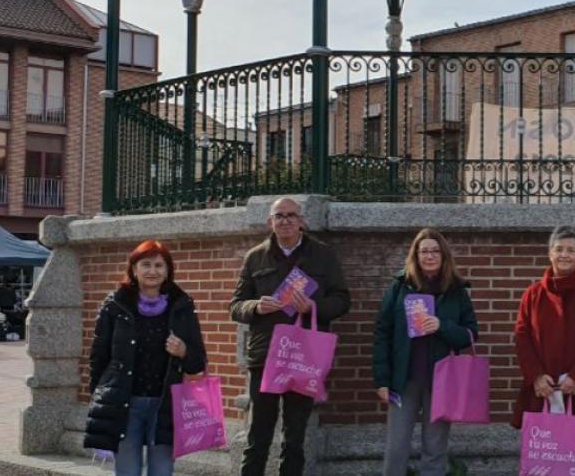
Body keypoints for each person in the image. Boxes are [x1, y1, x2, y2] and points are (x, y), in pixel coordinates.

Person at [230, 197, 351, 476]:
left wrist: (313, 307)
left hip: (302, 357)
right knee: (258, 434)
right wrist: (255, 306)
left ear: (301, 221)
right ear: (270, 222)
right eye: (279, 216)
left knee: (294, 437)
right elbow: (235, 306)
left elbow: (342, 301)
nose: (285, 220)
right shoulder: (255, 257)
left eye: (291, 215)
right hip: (265, 356)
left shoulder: (323, 255)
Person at [84, 240, 208, 476]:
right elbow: (98, 357)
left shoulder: (182, 305)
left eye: (159, 265)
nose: (153, 271)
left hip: (166, 405)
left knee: (162, 470)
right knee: (127, 470)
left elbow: (198, 362)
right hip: (124, 402)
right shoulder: (115, 305)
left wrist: (183, 351)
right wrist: (100, 400)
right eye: (146, 264)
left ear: (168, 270)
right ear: (134, 269)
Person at [373, 228, 479, 476]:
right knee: (396, 445)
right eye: (424, 251)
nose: (429, 256)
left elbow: (471, 334)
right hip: (404, 379)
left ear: (443, 255)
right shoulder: (400, 287)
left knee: (435, 447)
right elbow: (382, 333)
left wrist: (442, 326)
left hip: (441, 381)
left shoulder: (456, 290)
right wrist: (382, 380)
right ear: (416, 256)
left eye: (435, 251)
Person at [513, 226, 575, 476]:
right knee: (543, 463)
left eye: (571, 250)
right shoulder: (532, 295)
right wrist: (535, 375)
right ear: (550, 254)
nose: (564, 254)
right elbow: (522, 337)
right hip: (542, 389)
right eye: (559, 249)